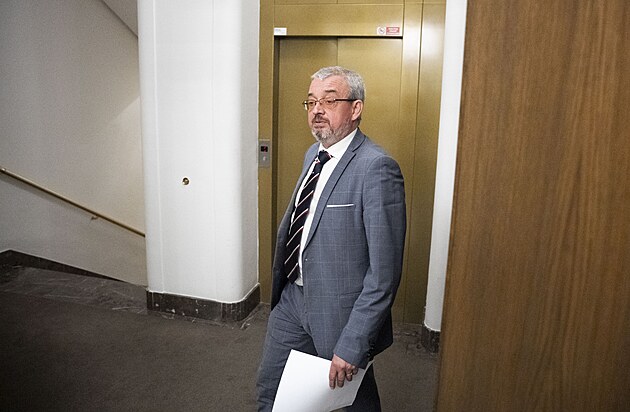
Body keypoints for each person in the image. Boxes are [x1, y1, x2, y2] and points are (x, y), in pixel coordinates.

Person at [256, 66, 406, 411]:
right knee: (272, 389)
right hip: (293, 299)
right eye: (311, 102)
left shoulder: (377, 168)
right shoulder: (313, 154)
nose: (317, 110)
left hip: (341, 310)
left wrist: (354, 342)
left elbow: (384, 274)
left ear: (355, 108)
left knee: (352, 401)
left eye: (329, 100)